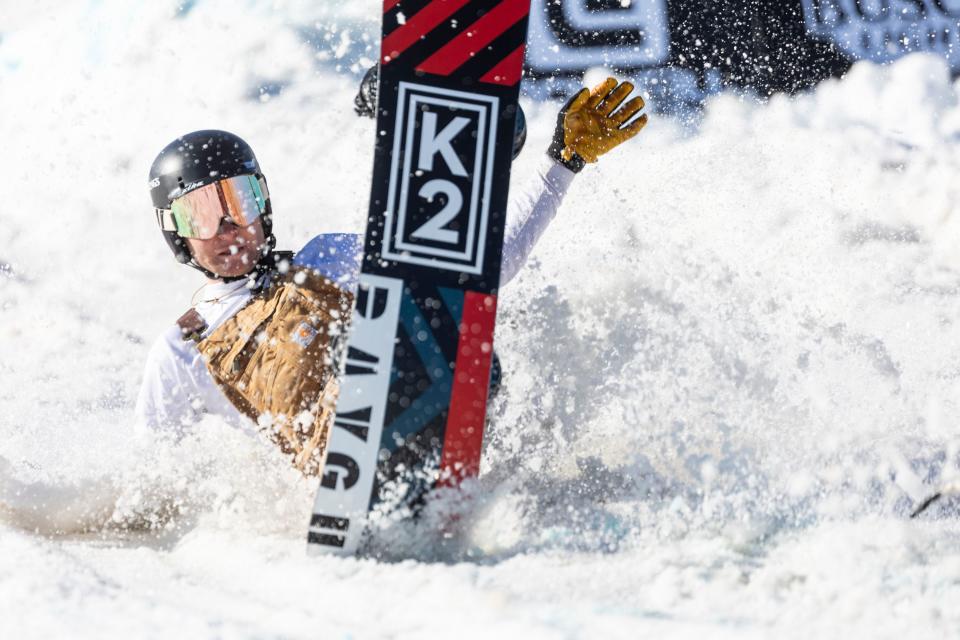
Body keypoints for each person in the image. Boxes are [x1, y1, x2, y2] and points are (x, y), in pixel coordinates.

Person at [135, 77, 648, 476]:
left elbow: (488, 267)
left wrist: (564, 161)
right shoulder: (182, 350)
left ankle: (436, 148)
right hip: (330, 463)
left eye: (240, 200)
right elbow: (151, 479)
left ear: (263, 203)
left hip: (419, 398)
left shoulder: (326, 259)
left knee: (430, 290)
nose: (229, 227)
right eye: (202, 214)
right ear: (176, 234)